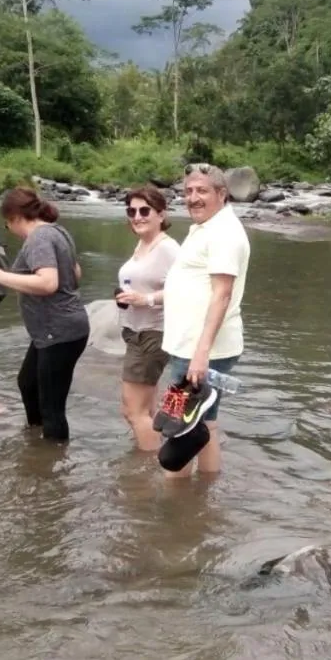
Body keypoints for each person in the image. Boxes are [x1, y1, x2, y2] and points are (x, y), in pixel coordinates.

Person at [158, 163, 251, 477]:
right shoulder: (208, 225)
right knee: (202, 422)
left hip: (200, 350)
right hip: (192, 346)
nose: (193, 198)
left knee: (182, 428)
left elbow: (222, 294)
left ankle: (176, 496)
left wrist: (201, 353)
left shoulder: (224, 233)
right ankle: (204, 495)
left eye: (202, 191)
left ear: (222, 194)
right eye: (188, 191)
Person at [0, 187, 88, 442]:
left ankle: (52, 458)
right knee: (28, 383)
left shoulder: (38, 238)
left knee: (52, 407)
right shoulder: (58, 231)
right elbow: (76, 274)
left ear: (14, 217)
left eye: (6, 224)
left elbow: (48, 283)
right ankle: (35, 441)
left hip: (58, 331)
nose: (9, 229)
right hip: (59, 329)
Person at [114, 186, 181, 451]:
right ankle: (156, 454)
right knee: (146, 410)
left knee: (132, 411)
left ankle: (148, 467)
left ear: (161, 215)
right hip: (136, 330)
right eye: (131, 211)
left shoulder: (168, 249)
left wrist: (147, 299)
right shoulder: (144, 242)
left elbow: (186, 289)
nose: (137, 217)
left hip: (153, 332)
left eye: (144, 211)